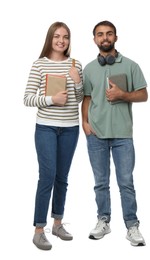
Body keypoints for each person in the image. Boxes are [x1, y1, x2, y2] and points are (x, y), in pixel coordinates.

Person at [82, 20, 148, 246]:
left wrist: (123, 95)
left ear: (116, 38)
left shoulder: (130, 65)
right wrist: (85, 122)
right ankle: (103, 221)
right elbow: (87, 97)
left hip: (123, 135)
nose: (105, 38)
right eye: (100, 34)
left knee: (126, 182)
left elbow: (143, 95)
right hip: (96, 134)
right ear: (95, 40)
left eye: (109, 34)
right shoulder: (89, 68)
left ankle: (132, 225)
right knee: (100, 182)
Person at [24, 21, 83, 250]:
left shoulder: (75, 64)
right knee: (47, 175)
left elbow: (79, 98)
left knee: (62, 178)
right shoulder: (39, 65)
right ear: (50, 38)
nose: (61, 40)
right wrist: (51, 100)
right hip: (46, 127)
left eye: (66, 37)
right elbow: (28, 98)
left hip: (70, 128)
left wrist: (77, 81)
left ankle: (57, 223)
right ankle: (39, 229)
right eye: (57, 36)